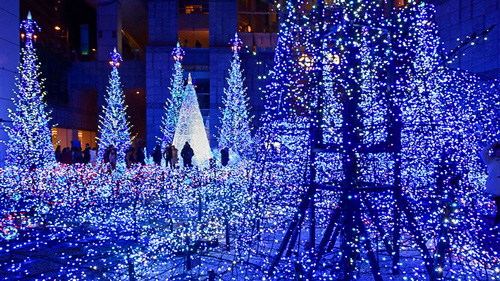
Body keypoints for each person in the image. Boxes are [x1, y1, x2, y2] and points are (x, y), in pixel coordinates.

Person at [480, 141, 500, 226]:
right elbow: (483, 152)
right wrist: (492, 145)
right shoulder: (490, 160)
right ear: (495, 151)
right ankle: (495, 225)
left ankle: (496, 226)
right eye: (498, 151)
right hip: (495, 188)